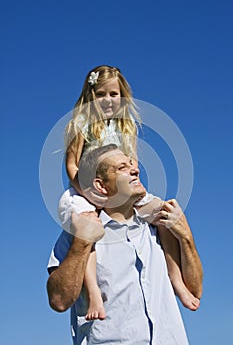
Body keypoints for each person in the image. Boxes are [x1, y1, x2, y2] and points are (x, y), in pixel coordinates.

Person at [58, 65, 199, 320]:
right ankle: (93, 294)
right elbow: (71, 164)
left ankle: (175, 277)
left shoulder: (126, 126)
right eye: (101, 94)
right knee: (88, 229)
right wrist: (86, 191)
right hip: (86, 187)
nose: (108, 100)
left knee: (162, 214)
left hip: (118, 187)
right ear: (91, 96)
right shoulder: (81, 123)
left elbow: (131, 161)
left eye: (113, 94)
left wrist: (133, 188)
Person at [47, 144, 203, 344]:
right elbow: (59, 301)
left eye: (132, 165)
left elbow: (195, 291)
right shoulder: (77, 233)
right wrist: (81, 244)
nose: (136, 170)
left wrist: (186, 237)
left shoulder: (157, 228)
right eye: (121, 168)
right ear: (101, 186)